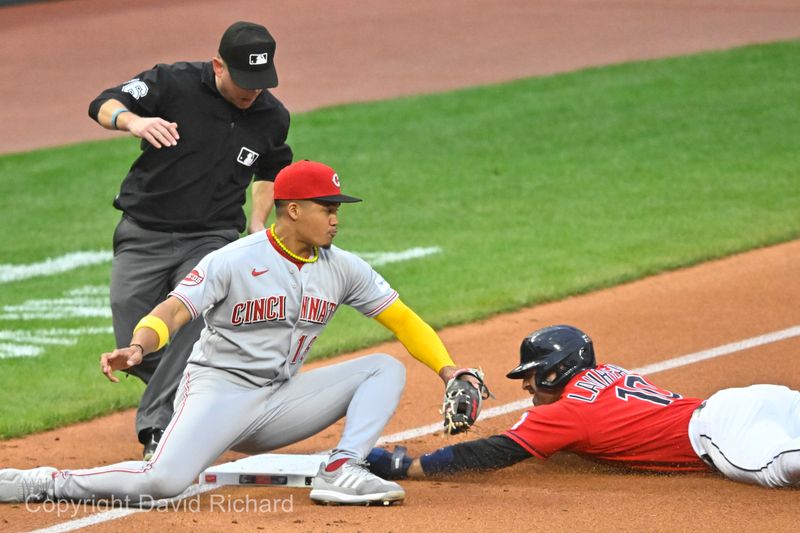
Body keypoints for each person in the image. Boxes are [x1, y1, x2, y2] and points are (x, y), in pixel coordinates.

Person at [0, 160, 482, 506]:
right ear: (291, 209)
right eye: (326, 207)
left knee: (383, 367)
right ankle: (39, 481)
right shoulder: (234, 260)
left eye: (337, 207)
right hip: (218, 393)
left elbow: (403, 320)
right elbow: (172, 311)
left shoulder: (344, 268)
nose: (336, 217)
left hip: (280, 399)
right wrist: (137, 345)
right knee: (164, 483)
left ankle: (342, 468)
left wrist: (447, 368)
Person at [87, 21, 293, 459]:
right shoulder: (172, 82)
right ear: (218, 64)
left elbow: (271, 169)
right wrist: (133, 121)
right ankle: (212, 397)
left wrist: (258, 221)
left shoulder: (271, 116)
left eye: (260, 83)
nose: (251, 92)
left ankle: (157, 433)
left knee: (189, 320)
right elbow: (102, 104)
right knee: (135, 342)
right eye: (243, 81)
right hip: (143, 231)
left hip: (212, 236)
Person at [366, 325, 800, 489]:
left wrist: (408, 467)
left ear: (557, 370)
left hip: (726, 435)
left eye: (532, 375)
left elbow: (495, 452)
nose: (527, 386)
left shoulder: (567, 414)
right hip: (758, 399)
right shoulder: (608, 373)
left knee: (786, 468)